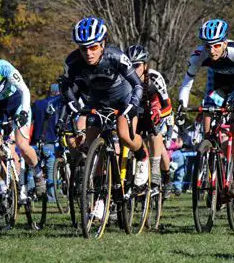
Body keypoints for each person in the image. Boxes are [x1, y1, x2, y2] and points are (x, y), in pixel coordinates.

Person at [58, 17, 146, 221]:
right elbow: (65, 86)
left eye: (93, 47)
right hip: (98, 102)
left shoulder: (116, 56)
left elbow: (138, 85)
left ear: (103, 44)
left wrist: (133, 105)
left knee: (124, 136)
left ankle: (142, 157)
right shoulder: (72, 61)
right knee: (91, 147)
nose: (88, 53)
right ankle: (100, 198)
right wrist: (73, 104)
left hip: (123, 99)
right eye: (83, 49)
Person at [177, 19, 234, 196]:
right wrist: (182, 106)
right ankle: (210, 156)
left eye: (217, 45)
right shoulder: (198, 55)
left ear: (225, 43)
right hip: (217, 84)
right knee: (207, 112)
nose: (212, 51)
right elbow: (187, 83)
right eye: (207, 46)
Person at [0, 39, 39, 204]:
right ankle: (8, 184)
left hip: (17, 104)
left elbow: (24, 89)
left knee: (22, 145)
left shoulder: (2, 66)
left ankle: (38, 173)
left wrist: (24, 111)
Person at [126, 45, 174, 194]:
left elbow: (168, 106)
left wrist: (159, 112)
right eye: (130, 65)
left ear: (145, 65)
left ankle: (161, 177)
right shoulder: (123, 76)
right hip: (135, 110)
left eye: (137, 65)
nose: (133, 69)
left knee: (156, 136)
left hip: (155, 108)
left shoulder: (154, 77)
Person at [30, 83, 63, 202]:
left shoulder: (38, 104)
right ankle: (51, 197)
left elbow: (30, 120)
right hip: (50, 142)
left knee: (33, 169)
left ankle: (32, 195)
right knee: (51, 173)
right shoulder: (59, 104)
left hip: (35, 142)